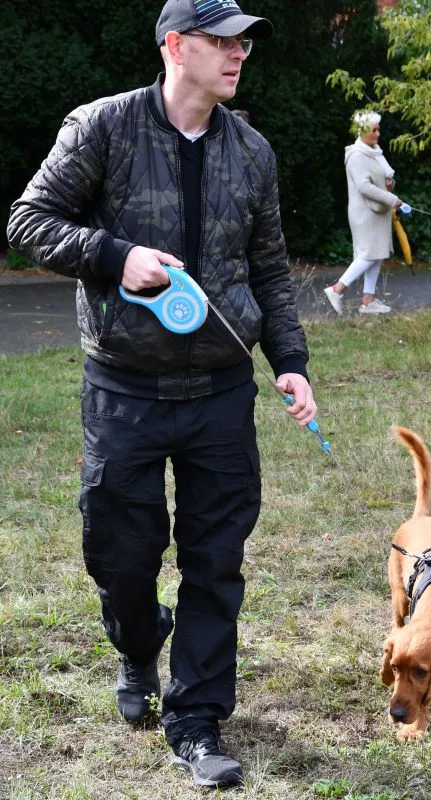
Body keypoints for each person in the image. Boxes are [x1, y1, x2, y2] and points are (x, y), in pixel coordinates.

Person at [7, 0, 317, 788]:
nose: (238, 54)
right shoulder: (102, 128)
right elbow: (28, 221)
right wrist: (115, 255)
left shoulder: (251, 151)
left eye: (244, 44)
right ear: (175, 45)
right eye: (222, 41)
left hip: (221, 393)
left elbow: (270, 268)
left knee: (216, 560)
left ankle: (198, 721)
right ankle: (139, 643)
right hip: (125, 391)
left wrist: (289, 359)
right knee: (121, 556)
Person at [324, 110, 406, 315]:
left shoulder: (375, 153)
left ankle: (368, 301)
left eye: (378, 129)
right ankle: (337, 289)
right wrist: (393, 200)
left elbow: (379, 180)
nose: (378, 134)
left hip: (378, 211)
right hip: (365, 213)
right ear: (362, 131)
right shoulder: (356, 155)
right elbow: (364, 187)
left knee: (377, 254)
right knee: (368, 254)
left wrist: (390, 185)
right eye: (374, 130)